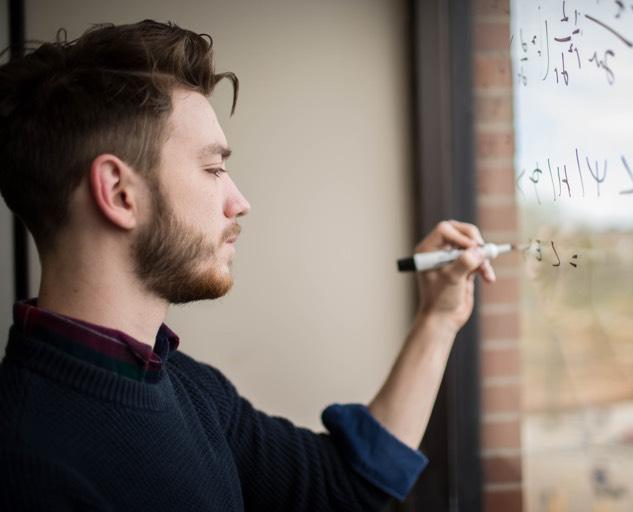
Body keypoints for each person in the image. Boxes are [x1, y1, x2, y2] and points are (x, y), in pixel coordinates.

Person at [0, 19, 496, 511]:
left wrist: (438, 316)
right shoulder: (27, 467)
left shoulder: (188, 387)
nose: (239, 202)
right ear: (118, 192)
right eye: (214, 168)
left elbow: (345, 485)